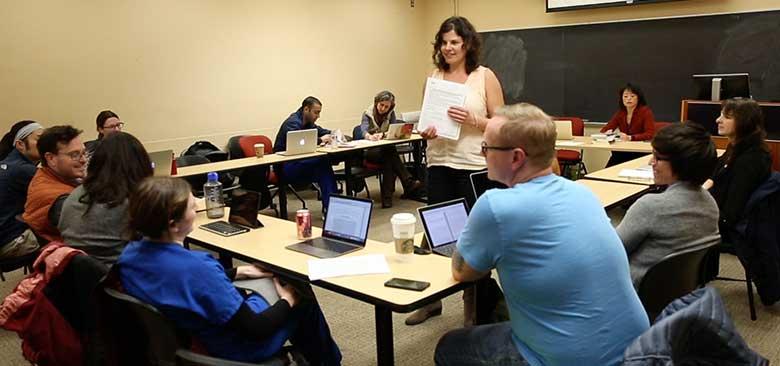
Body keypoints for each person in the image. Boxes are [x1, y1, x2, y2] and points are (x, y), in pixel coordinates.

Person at [434, 103, 649, 366]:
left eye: (487, 147)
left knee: (450, 346)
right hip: (637, 347)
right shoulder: (583, 192)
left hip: (575, 360)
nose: (483, 153)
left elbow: (463, 272)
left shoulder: (496, 205)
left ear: (516, 158)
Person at [118, 177, 342, 364]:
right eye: (191, 204)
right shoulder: (198, 268)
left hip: (191, 336)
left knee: (268, 284)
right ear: (173, 223)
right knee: (301, 291)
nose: (197, 206)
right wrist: (288, 300)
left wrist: (237, 273)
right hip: (235, 349)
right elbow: (257, 328)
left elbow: (178, 285)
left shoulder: (130, 255)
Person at [406, 15, 505, 327]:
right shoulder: (433, 78)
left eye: (454, 43)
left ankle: (473, 307)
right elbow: (426, 121)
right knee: (436, 234)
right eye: (444, 42)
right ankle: (431, 300)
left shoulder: (484, 77)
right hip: (439, 163)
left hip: (473, 167)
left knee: (474, 239)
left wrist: (473, 121)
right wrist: (426, 131)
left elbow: (502, 125)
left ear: (467, 45)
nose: (448, 48)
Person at [616, 123, 720, 288]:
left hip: (633, 292)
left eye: (657, 157)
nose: (651, 162)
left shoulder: (651, 206)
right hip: (677, 292)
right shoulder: (709, 203)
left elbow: (612, 251)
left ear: (681, 164)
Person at [58, 132, 153, 266]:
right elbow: (159, 243)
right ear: (141, 163)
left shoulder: (75, 195)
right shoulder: (129, 202)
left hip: (78, 275)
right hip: (122, 276)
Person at [703, 98, 772, 277]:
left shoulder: (750, 160)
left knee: (670, 221)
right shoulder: (738, 147)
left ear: (744, 122)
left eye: (726, 117)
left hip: (731, 227)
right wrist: (708, 183)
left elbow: (731, 214)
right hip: (720, 214)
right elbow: (716, 171)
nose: (718, 120)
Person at [358, 90, 424, 208]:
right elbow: (363, 130)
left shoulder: (391, 113)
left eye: (386, 106)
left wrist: (384, 135)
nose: (383, 108)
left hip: (384, 150)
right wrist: (370, 136)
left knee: (388, 157)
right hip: (370, 151)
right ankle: (407, 182)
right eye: (381, 105)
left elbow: (394, 128)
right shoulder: (367, 113)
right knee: (389, 152)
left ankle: (388, 199)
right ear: (376, 102)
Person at [23, 125, 86, 244]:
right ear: (51, 158)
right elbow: (95, 232)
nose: (83, 160)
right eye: (74, 155)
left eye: (84, 153)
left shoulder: (49, 177)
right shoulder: (58, 198)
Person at [274, 96, 337, 214]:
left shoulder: (308, 122)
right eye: (316, 112)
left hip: (299, 163)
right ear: (306, 109)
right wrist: (320, 140)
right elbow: (300, 141)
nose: (318, 116)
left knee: (324, 166)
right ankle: (331, 207)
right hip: (285, 166)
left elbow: (320, 131)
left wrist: (334, 134)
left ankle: (331, 207)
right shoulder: (292, 122)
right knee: (323, 163)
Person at [0, 121, 44, 259]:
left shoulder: (7, 163)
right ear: (20, 144)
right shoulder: (23, 169)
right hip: (11, 240)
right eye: (39, 139)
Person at [600, 83, 656, 166]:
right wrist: (609, 133)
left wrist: (630, 137)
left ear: (638, 98)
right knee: (606, 172)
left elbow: (650, 134)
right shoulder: (621, 113)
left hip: (639, 151)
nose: (628, 99)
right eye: (625, 96)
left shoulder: (646, 112)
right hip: (622, 151)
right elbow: (605, 130)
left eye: (632, 96)